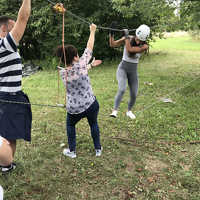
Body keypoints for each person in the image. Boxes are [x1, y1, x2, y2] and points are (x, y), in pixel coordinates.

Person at [56, 23, 102, 158]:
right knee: (93, 124)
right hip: (91, 104)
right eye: (77, 55)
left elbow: (77, 71)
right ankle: (98, 149)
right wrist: (92, 31)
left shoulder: (62, 72)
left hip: (74, 109)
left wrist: (90, 66)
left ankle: (72, 151)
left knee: (70, 126)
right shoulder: (82, 64)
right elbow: (89, 47)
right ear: (76, 57)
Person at [0, 0, 32, 172]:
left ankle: (7, 166)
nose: (16, 31)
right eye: (12, 28)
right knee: (5, 136)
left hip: (10, 97)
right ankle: (5, 163)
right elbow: (24, 18)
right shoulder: (4, 45)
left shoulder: (6, 47)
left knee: (11, 134)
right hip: (8, 99)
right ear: (4, 29)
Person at [109, 24, 150, 119]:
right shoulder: (129, 38)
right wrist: (111, 34)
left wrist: (126, 37)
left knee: (134, 94)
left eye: (141, 40)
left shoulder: (144, 46)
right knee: (122, 89)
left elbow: (130, 49)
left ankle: (129, 111)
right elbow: (113, 44)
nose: (138, 41)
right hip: (122, 69)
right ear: (136, 34)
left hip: (133, 72)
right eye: (137, 39)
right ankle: (115, 110)